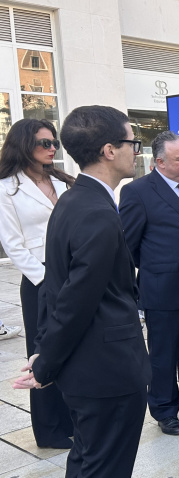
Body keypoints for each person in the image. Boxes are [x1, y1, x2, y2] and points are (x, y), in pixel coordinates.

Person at [12, 106, 151, 476]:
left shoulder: (75, 199)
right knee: (104, 468)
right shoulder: (94, 210)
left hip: (91, 369)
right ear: (109, 150)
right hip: (107, 372)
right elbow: (75, 298)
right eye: (132, 142)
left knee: (89, 463)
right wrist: (46, 362)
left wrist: (45, 349)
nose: (136, 150)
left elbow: (56, 288)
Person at [119, 131, 179, 436]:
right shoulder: (138, 192)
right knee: (163, 355)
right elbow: (127, 247)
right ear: (159, 162)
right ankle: (165, 410)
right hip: (162, 290)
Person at [0, 118, 74, 448]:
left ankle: (74, 419)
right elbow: (13, 245)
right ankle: (49, 431)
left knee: (74, 350)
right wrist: (48, 280)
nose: (52, 148)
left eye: (53, 142)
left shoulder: (62, 181)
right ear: (24, 145)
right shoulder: (6, 187)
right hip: (40, 279)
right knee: (43, 354)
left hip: (74, 274)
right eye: (45, 143)